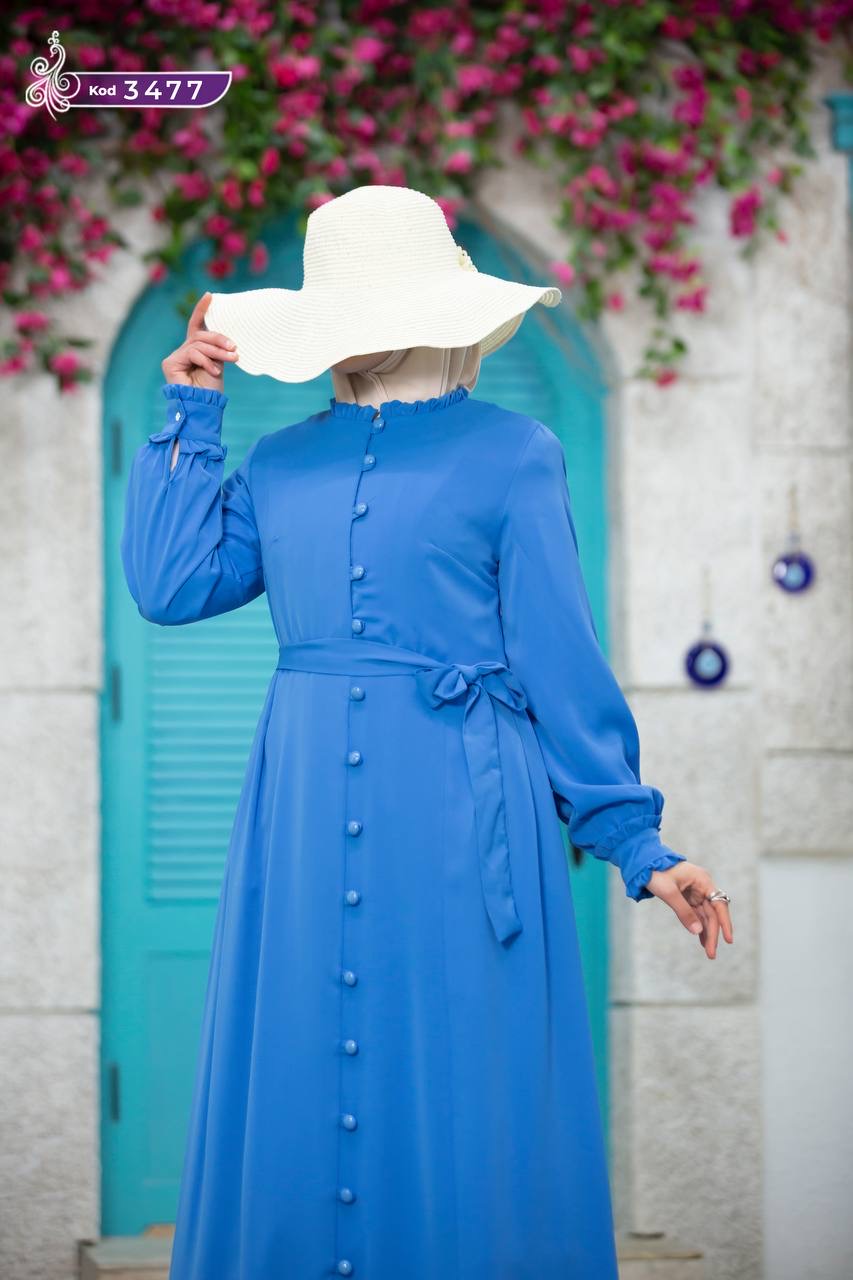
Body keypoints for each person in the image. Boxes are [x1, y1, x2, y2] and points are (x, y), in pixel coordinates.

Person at [121, 185, 733, 1280]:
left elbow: (558, 659)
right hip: (303, 817)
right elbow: (168, 586)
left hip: (461, 810)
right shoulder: (280, 461)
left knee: (467, 1083)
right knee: (304, 1058)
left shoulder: (515, 453)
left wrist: (638, 843)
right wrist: (191, 410)